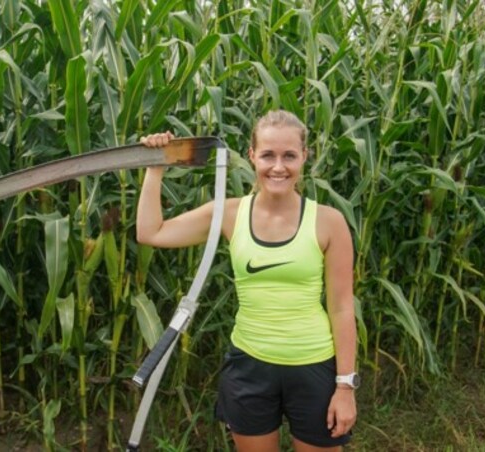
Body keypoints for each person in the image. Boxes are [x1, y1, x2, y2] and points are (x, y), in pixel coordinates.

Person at [136, 110, 357, 452]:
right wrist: (155, 169)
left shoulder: (329, 222)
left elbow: (342, 308)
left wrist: (345, 387)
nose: (278, 167)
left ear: (305, 157)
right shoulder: (229, 214)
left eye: (289, 156)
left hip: (313, 367)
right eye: (268, 155)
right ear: (252, 155)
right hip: (250, 367)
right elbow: (152, 232)